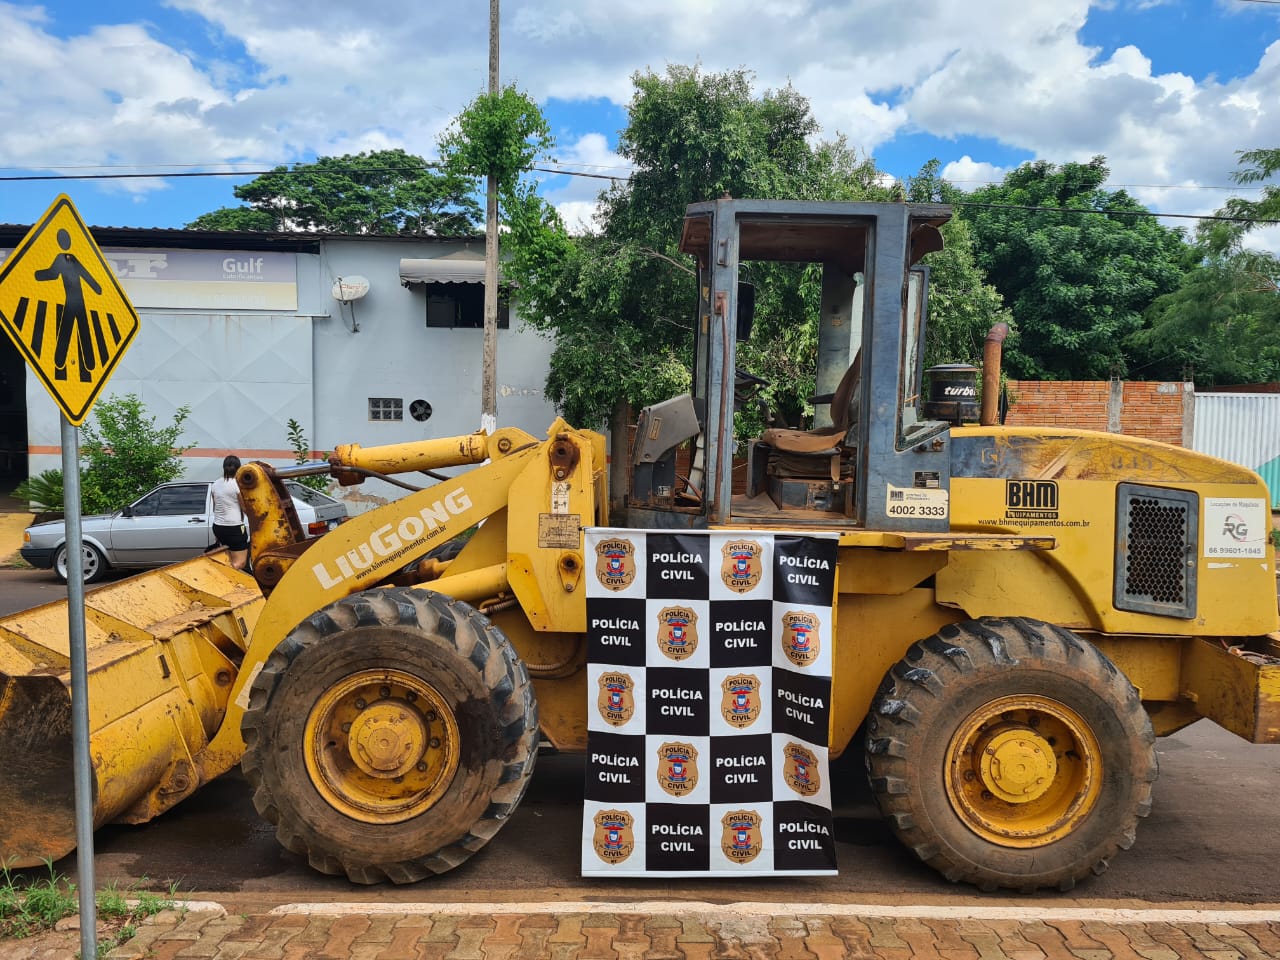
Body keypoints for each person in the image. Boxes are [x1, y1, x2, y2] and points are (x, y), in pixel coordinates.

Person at [211, 455, 249, 570]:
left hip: (218, 527)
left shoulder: (215, 484)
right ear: (238, 469)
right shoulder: (237, 485)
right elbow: (244, 508)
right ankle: (220, 579)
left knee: (229, 561)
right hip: (234, 528)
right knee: (240, 563)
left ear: (224, 467)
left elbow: (215, 507)